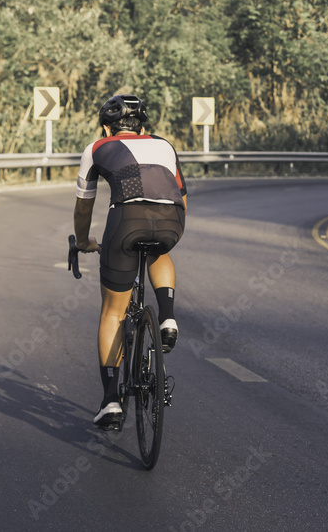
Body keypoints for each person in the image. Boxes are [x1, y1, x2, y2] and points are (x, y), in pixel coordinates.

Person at [73, 94, 187, 431]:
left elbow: (83, 208)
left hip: (125, 222)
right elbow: (181, 197)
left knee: (112, 311)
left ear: (106, 127)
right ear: (143, 126)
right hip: (172, 220)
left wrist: (82, 242)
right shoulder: (165, 145)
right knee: (159, 251)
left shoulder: (96, 148)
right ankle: (167, 317)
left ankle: (110, 400)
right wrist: (169, 232)